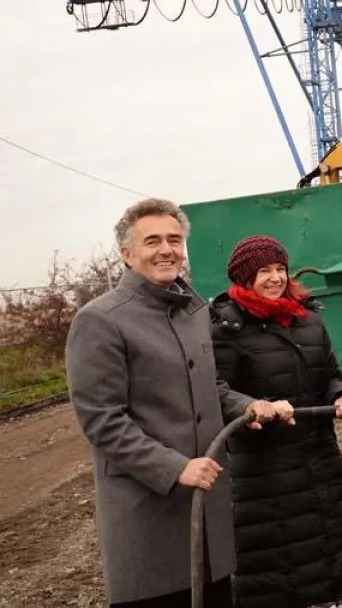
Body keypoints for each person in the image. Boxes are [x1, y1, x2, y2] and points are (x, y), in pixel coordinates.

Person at [64, 198, 281, 608]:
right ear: (127, 254)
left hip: (206, 507)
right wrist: (174, 467)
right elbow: (101, 420)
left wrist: (247, 406)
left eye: (174, 240)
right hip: (148, 511)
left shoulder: (193, 311)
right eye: (152, 241)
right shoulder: (101, 320)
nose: (166, 249)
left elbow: (209, 387)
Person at [211, 234, 342, 608]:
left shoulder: (307, 319)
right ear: (244, 277)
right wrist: (250, 404)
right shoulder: (225, 326)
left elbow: (331, 374)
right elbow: (214, 389)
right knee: (283, 577)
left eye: (279, 269)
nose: (274, 278)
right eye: (263, 271)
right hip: (266, 476)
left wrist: (341, 394)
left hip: (323, 463)